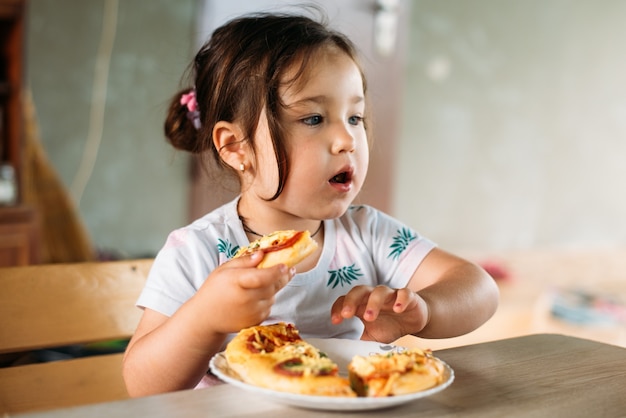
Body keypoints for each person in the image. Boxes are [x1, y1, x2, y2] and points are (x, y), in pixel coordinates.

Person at [122, 10, 499, 397]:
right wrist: (203, 318)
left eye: (355, 117)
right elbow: (141, 384)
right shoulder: (198, 250)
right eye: (315, 118)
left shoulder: (367, 233)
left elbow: (479, 289)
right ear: (237, 148)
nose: (347, 140)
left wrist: (424, 309)